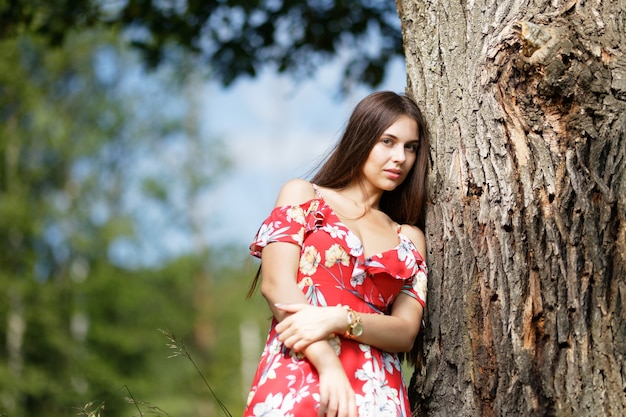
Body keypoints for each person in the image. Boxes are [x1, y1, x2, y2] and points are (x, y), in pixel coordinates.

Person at [244, 91, 430, 417]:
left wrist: (341, 318)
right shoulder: (304, 195)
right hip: (301, 371)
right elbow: (276, 287)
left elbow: (405, 332)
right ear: (362, 138)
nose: (400, 157)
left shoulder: (408, 237)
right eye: (388, 141)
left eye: (410, 147)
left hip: (377, 392)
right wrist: (328, 365)